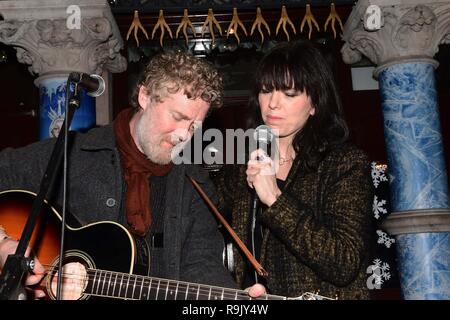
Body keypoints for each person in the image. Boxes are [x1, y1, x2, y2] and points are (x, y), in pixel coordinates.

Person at [0, 51, 263, 300]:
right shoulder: (73, 152)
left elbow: (202, 263)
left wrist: (234, 301)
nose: (184, 134)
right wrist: (2, 245)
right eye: (178, 117)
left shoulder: (194, 183)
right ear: (145, 97)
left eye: (195, 125)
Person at [213, 40, 374, 300]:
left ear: (314, 104)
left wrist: (275, 200)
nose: (273, 104)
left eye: (289, 94)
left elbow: (343, 261)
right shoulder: (244, 163)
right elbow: (199, 214)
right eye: (266, 91)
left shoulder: (343, 163)